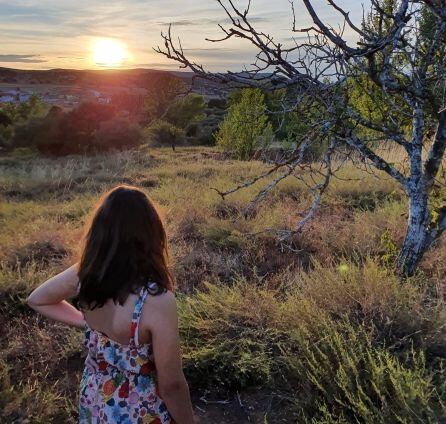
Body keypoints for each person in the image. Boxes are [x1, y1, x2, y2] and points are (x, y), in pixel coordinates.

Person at [27, 185, 195, 424]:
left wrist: (85, 321)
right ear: (151, 233)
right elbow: (172, 385)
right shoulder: (156, 299)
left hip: (96, 398)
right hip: (140, 410)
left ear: (99, 231)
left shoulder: (86, 274)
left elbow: (38, 299)